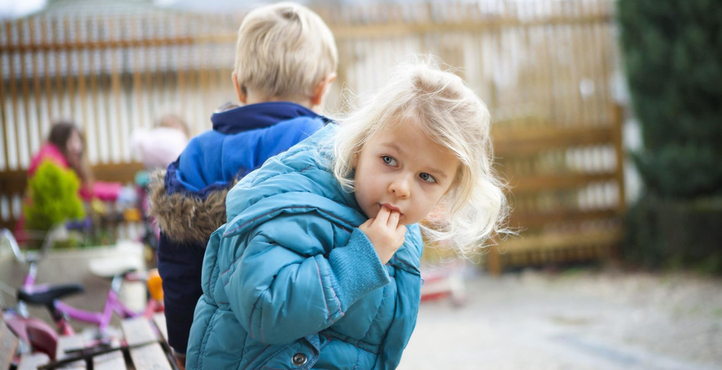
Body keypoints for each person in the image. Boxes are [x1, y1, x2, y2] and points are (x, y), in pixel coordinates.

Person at [184, 60, 509, 370]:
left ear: (447, 191)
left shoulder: (396, 226)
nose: (401, 187)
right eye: (389, 160)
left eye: (427, 177)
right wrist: (360, 260)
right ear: (359, 147)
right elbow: (265, 308)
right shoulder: (303, 206)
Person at [148, 3, 338, 368]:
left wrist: (183, 350)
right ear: (321, 89)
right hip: (303, 353)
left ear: (238, 84)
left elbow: (177, 267)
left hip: (216, 355)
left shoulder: (195, 153)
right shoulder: (323, 146)